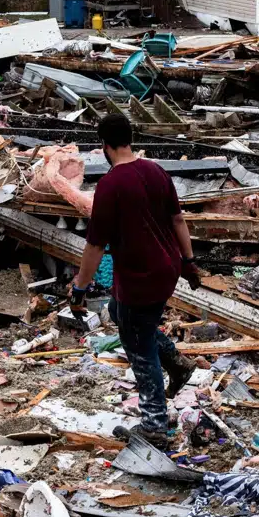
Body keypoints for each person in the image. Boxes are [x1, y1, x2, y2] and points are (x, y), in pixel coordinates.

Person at [70, 113, 200, 444]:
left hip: (140, 276)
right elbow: (178, 220)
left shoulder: (111, 185)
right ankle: (176, 362)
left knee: (139, 344)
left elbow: (95, 245)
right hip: (167, 269)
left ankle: (155, 425)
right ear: (130, 138)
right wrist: (189, 261)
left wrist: (79, 288)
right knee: (122, 315)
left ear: (103, 146)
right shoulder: (155, 171)